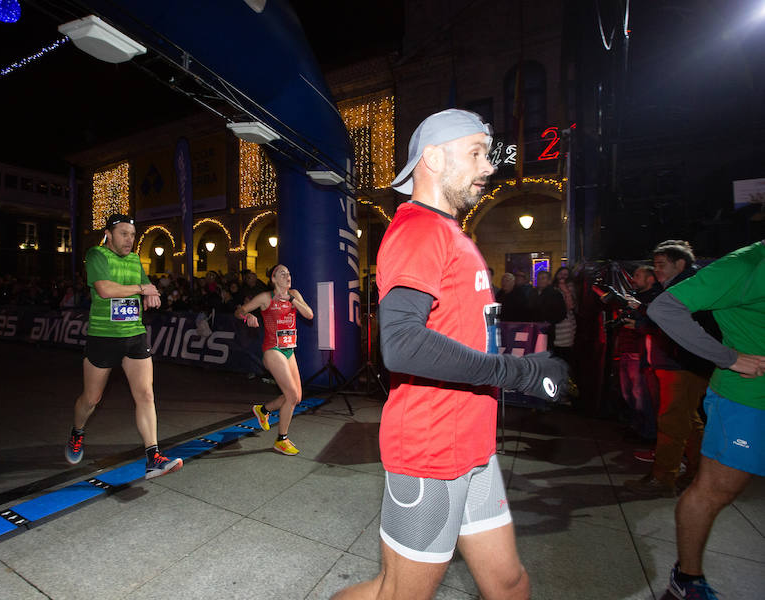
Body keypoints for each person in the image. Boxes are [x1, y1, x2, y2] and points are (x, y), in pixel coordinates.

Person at [333, 109, 568, 600]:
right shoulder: (419, 230)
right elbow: (401, 343)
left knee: (508, 584)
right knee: (396, 595)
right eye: (477, 153)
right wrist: (519, 372)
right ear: (434, 158)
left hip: (474, 447)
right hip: (429, 452)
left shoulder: (452, 234)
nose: (489, 166)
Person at [645, 240, 765, 599]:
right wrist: (728, 357)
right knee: (715, 490)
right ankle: (688, 576)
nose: (656, 272)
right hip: (748, 399)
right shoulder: (745, 265)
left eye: (661, 265)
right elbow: (664, 309)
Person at [65, 214, 182, 480]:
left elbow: (148, 289)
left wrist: (152, 294)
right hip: (104, 337)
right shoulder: (96, 255)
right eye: (123, 234)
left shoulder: (134, 259)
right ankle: (77, 432)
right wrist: (144, 288)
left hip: (134, 335)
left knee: (146, 395)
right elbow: (105, 289)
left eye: (132, 234)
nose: (130, 239)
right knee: (91, 399)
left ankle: (153, 456)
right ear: (109, 234)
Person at [625, 240, 717, 496]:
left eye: (661, 265)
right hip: (682, 363)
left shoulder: (686, 288)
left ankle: (664, 478)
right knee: (689, 420)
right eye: (655, 265)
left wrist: (645, 320)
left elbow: (677, 326)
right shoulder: (681, 286)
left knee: (673, 421)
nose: (657, 271)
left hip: (682, 364)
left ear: (680, 263)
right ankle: (696, 472)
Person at [235, 264, 314, 455]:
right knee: (292, 396)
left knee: (297, 397)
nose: (287, 276)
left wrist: (292, 300)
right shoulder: (265, 297)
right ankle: (281, 439)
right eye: (282, 274)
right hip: (272, 350)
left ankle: (264, 410)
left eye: (289, 273)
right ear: (273, 279)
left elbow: (309, 315)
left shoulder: (294, 294)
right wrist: (248, 318)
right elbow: (239, 311)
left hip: (289, 350)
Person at [616, 265, 662, 443]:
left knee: (640, 394)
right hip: (626, 349)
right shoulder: (633, 297)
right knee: (628, 393)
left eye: (637, 275)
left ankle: (648, 432)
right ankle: (636, 426)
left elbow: (653, 324)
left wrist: (639, 309)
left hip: (639, 351)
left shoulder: (654, 299)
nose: (633, 279)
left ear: (650, 279)